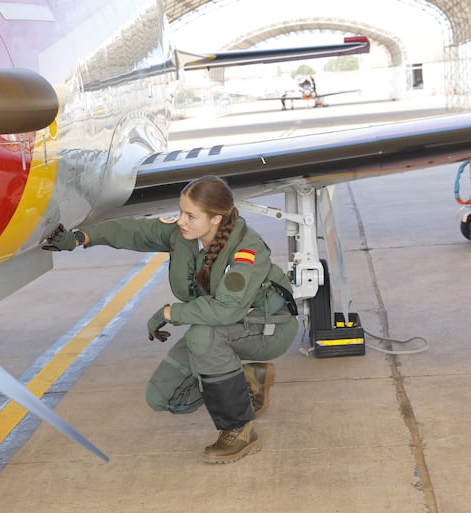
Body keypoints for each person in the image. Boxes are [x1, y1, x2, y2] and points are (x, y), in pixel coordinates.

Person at [42, 176, 299, 463]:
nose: (180, 220)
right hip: (225, 326)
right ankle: (249, 382)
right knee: (163, 398)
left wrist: (169, 313)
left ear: (216, 219)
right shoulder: (185, 235)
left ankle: (239, 429)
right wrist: (81, 237)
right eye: (180, 212)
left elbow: (226, 311)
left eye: (190, 215)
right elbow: (133, 230)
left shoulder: (246, 250)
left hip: (268, 329)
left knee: (203, 336)